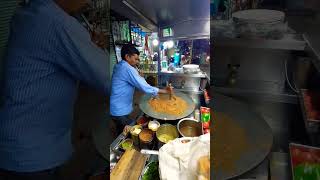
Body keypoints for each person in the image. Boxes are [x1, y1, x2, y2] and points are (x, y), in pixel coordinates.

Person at [0, 0, 108, 179]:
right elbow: (108, 78)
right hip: (31, 157)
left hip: (16, 146)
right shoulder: (55, 21)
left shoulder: (33, 11)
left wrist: (88, 48)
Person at [110, 44, 172, 137]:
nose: (137, 62)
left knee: (121, 129)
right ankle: (123, 148)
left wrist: (140, 77)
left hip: (115, 107)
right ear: (127, 57)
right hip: (120, 110)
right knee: (131, 131)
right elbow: (145, 87)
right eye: (135, 59)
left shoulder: (119, 65)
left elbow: (138, 82)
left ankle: (120, 137)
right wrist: (165, 91)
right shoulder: (128, 69)